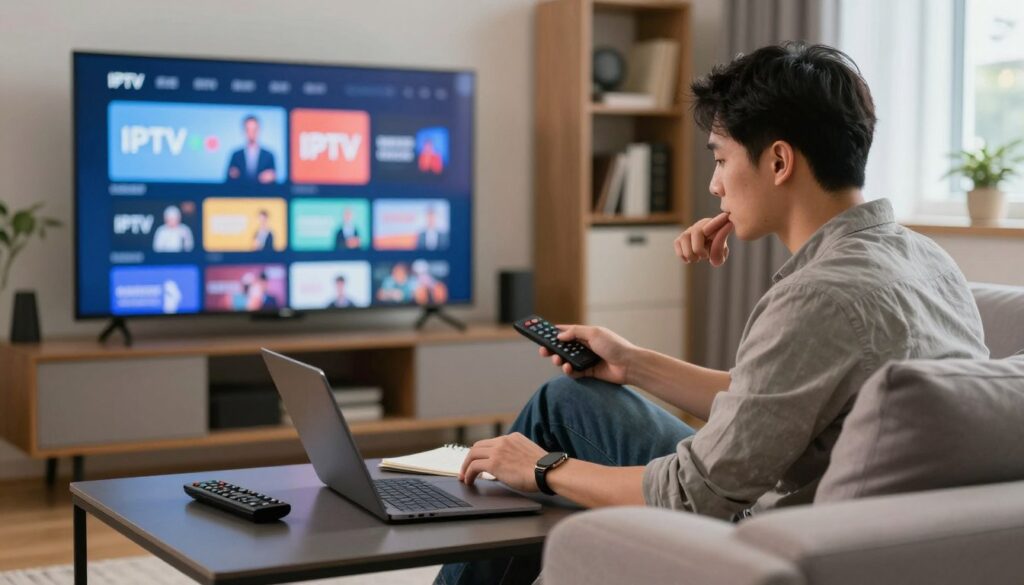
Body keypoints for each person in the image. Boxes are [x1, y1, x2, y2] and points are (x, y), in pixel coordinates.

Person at [436, 42, 988, 585]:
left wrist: (541, 470)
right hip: (860, 533)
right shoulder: (924, 258)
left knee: (548, 431)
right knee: (570, 400)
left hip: (762, 535)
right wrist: (632, 362)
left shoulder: (818, 297)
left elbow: (691, 496)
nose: (713, 185)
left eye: (721, 159)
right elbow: (781, 401)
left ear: (777, 161)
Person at [226, 115, 277, 184]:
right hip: (240, 193)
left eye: (254, 130)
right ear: (244, 131)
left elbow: (274, 178)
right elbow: (228, 177)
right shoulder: (236, 155)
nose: (251, 133)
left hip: (263, 193)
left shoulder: (268, 155)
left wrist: (271, 177)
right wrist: (232, 174)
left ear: (259, 130)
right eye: (248, 129)